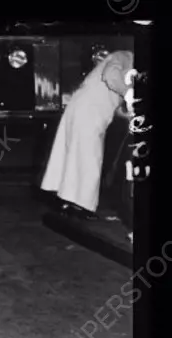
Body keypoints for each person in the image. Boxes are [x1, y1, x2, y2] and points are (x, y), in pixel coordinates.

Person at [40, 50, 134, 220]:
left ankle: (67, 203)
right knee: (90, 159)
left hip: (84, 108)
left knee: (74, 157)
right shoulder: (125, 56)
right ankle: (82, 207)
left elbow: (118, 104)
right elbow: (110, 76)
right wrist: (128, 93)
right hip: (89, 110)